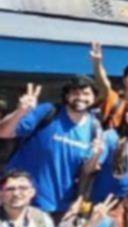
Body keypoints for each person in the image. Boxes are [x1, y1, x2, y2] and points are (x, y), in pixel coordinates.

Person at [0, 77, 103, 215]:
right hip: (20, 201)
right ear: (67, 95)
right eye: (75, 93)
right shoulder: (49, 112)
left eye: (86, 94)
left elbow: (87, 170)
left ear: (94, 98)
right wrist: (20, 111)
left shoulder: (94, 127)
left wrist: (97, 155)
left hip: (60, 208)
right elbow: (4, 133)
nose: (80, 98)